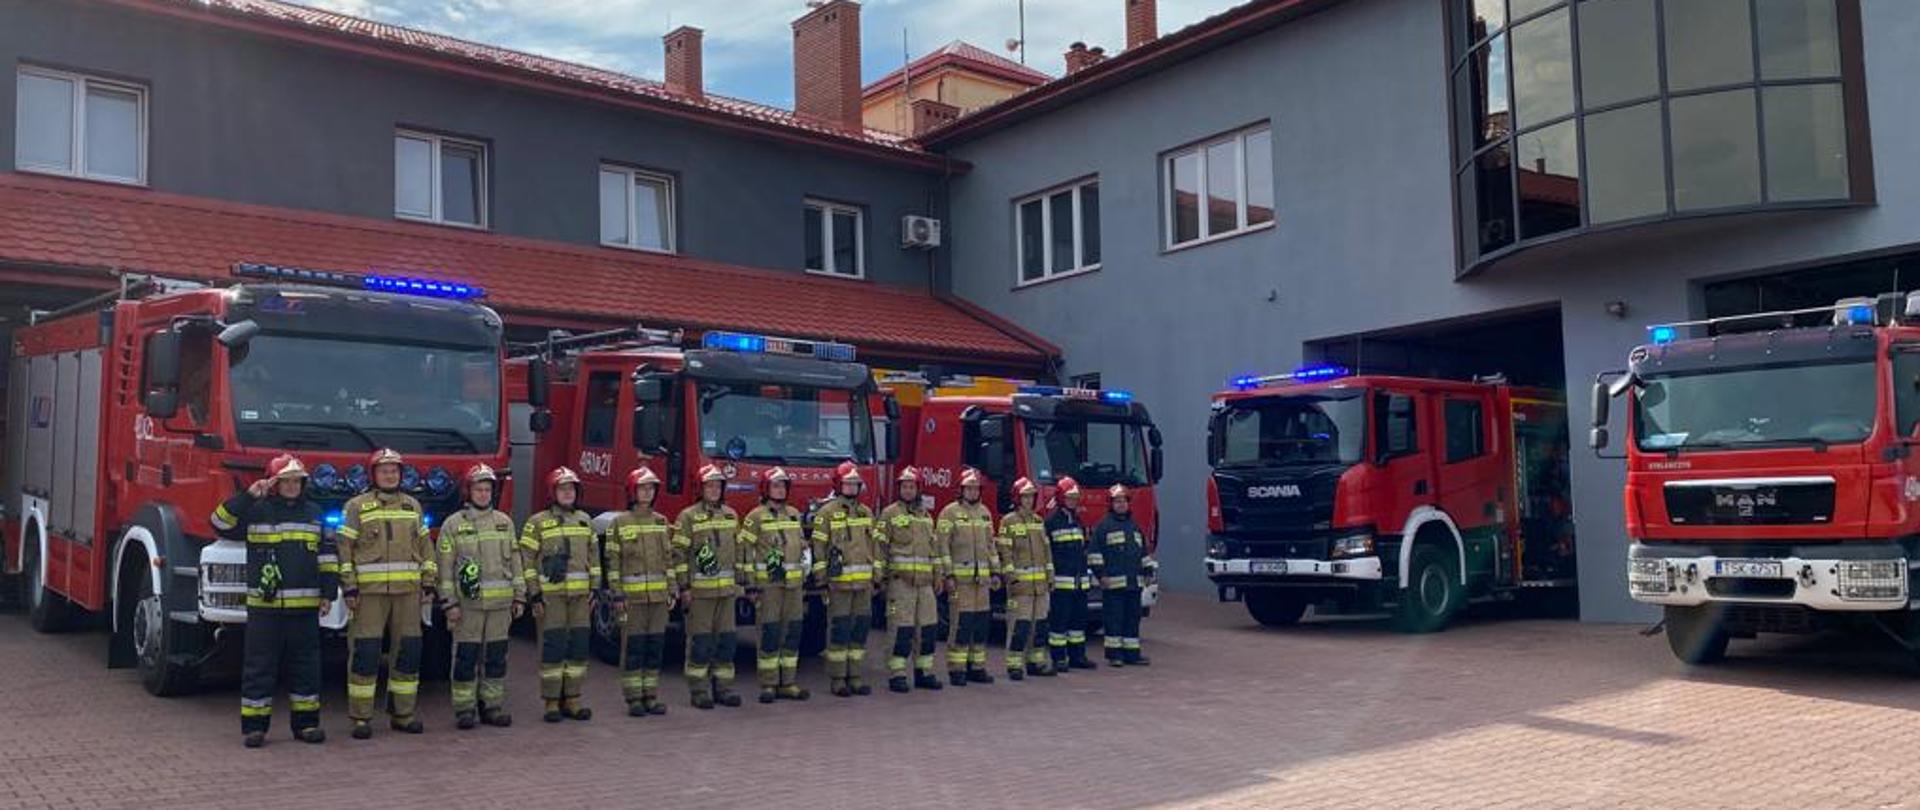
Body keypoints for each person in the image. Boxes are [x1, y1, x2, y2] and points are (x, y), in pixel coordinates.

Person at [212, 454, 335, 748]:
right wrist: (248, 496)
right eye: (285, 481)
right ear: (273, 483)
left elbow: (328, 557)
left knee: (306, 667)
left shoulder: (315, 513)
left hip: (304, 609)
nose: (292, 486)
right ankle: (255, 728)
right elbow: (218, 522)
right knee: (259, 666)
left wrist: (329, 593)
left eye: (297, 481)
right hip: (265, 609)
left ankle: (306, 725)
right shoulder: (255, 512)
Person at [338, 447, 436, 739]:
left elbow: (425, 546)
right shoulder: (356, 507)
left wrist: (429, 580)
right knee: (365, 653)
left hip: (408, 593)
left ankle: (402, 714)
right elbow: (344, 550)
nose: (390, 475)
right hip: (369, 594)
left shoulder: (412, 507)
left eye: (394, 470)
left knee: (408, 653)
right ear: (374, 474)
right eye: (384, 470)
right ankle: (360, 717)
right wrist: (349, 586)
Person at [435, 463, 524, 730]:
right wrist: (449, 603)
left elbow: (516, 563)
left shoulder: (504, 523)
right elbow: (445, 569)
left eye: (487, 489)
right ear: (468, 491)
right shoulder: (453, 525)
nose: (484, 494)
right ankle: (464, 709)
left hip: (500, 606)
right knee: (466, 657)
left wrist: (520, 597)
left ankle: (492, 707)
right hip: (468, 607)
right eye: (479, 489)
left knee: (496, 658)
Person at [520, 466, 599, 722]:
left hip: (580, 599)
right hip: (550, 599)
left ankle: (573, 698)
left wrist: (595, 589)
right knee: (552, 648)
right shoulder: (537, 523)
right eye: (563, 489)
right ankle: (552, 701)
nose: (568, 493)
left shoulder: (585, 521)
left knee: (578, 648)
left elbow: (594, 559)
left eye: (572, 489)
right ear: (552, 492)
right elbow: (527, 560)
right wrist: (534, 595)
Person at [673, 464, 747, 710]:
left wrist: (740, 583)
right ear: (700, 488)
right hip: (700, 593)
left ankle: (724, 688)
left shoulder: (730, 515)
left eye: (718, 486)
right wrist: (684, 588)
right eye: (710, 486)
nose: (714, 490)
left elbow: (738, 552)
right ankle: (699, 690)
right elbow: (679, 554)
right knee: (700, 643)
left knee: (726, 642)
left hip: (726, 593)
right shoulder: (688, 517)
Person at [605, 467, 675, 717]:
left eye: (651, 488)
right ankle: (634, 698)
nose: (647, 492)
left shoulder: (661, 522)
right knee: (633, 648)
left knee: (654, 647)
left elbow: (669, 559)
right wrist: (617, 594)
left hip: (657, 599)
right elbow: (613, 562)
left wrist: (672, 590)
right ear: (632, 492)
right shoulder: (619, 523)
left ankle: (651, 696)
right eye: (643, 488)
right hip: (632, 600)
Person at [740, 467, 811, 703]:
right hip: (768, 587)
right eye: (775, 486)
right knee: (769, 632)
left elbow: (801, 545)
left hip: (794, 586)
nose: (780, 490)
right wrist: (750, 585)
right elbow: (745, 551)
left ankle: (788, 682)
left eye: (783, 486)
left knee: (792, 632)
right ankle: (769, 683)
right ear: (766, 489)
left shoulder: (793, 514)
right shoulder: (755, 516)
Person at [810, 461, 879, 697]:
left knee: (859, 630)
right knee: (839, 630)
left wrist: (876, 577)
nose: (851, 488)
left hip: (863, 585)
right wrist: (821, 578)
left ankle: (856, 676)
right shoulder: (826, 513)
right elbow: (818, 547)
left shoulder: (866, 513)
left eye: (855, 484)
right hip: (838, 585)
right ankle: (838, 679)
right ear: (839, 485)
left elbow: (874, 546)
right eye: (848, 484)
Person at [877, 467, 944, 693]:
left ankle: (924, 672)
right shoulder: (889, 514)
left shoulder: (925, 517)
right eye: (905, 486)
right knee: (901, 630)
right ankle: (897, 674)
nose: (908, 490)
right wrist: (881, 579)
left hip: (925, 585)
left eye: (912, 486)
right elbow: (880, 548)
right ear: (899, 489)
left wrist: (938, 576)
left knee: (927, 630)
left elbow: (933, 550)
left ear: (917, 489)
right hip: (900, 583)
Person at [939, 468, 1000, 686]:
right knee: (961, 625)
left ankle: (977, 667)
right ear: (961, 490)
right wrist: (948, 575)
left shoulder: (985, 513)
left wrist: (995, 572)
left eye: (976, 489)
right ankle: (957, 669)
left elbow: (991, 546)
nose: (973, 492)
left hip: (981, 582)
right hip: (961, 583)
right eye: (969, 489)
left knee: (980, 625)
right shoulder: (949, 513)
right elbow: (942, 546)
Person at [996, 477, 1055, 680]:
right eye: (1025, 497)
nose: (1028, 501)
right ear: (1017, 498)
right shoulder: (1008, 521)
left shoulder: (1039, 522)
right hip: (1020, 587)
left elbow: (1046, 552)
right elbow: (1004, 551)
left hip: (1040, 587)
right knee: (1019, 627)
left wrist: (1050, 575)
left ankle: (1036, 662)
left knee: (1039, 626)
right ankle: (1014, 665)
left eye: (1031, 497)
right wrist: (1011, 577)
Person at [1091, 484, 1150, 667]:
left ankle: (1132, 653)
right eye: (1117, 501)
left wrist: (1148, 571)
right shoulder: (1103, 527)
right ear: (1111, 504)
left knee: (1132, 619)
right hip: (1113, 586)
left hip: (1134, 584)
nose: (1121, 504)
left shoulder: (1134, 527)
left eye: (1124, 501)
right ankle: (1114, 655)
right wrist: (1101, 575)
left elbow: (1143, 553)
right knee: (1114, 621)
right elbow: (1095, 554)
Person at [1045, 477, 1096, 671]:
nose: (1073, 501)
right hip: (1061, 583)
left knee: (1078, 623)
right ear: (1060, 498)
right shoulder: (1051, 522)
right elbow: (1048, 553)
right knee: (1059, 623)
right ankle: (1059, 658)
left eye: (1075, 498)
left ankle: (1078, 656)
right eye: (1069, 498)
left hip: (1079, 582)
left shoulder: (1077, 520)